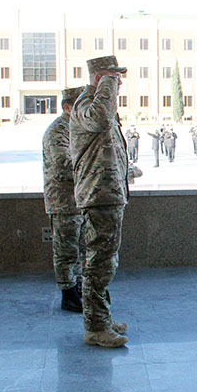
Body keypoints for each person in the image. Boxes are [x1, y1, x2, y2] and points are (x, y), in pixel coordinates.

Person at [69, 55, 131, 349]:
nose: (118, 84)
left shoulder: (97, 106)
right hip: (98, 196)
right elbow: (100, 119)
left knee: (105, 261)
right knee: (98, 263)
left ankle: (101, 317)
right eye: (113, 78)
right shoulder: (86, 107)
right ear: (98, 80)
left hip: (108, 194)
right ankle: (95, 326)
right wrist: (106, 83)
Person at [43, 87, 86, 314]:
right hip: (63, 201)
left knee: (79, 248)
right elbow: (63, 165)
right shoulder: (57, 132)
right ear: (68, 107)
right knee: (66, 249)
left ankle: (77, 286)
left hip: (78, 199)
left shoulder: (75, 128)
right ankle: (68, 294)